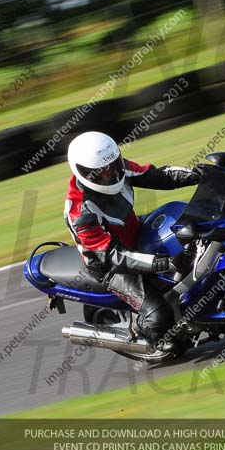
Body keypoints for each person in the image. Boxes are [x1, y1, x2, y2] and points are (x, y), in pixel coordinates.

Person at [65, 131, 201, 350]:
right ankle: (148, 335)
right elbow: (113, 256)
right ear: (83, 173)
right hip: (112, 266)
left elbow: (157, 175)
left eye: (113, 166)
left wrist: (198, 173)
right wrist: (163, 263)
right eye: (101, 173)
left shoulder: (117, 168)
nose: (109, 175)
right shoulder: (81, 211)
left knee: (194, 230)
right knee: (159, 317)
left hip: (135, 230)